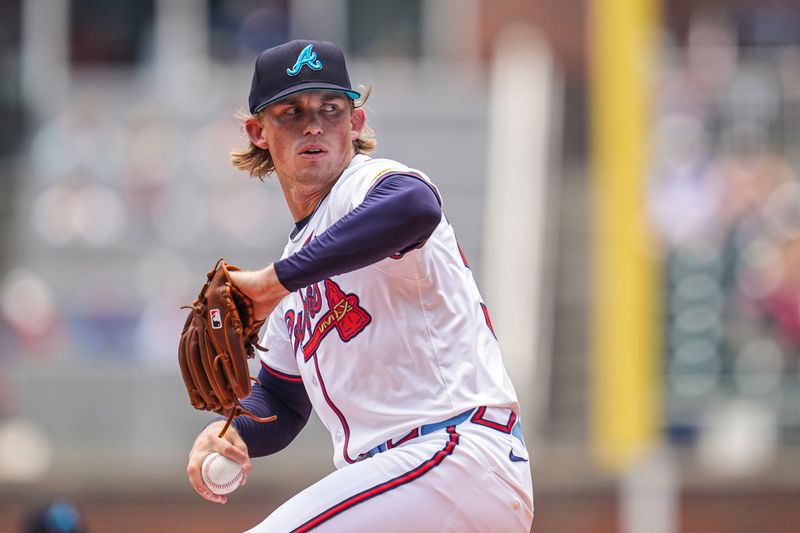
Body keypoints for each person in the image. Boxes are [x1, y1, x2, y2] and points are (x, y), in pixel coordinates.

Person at [186, 39, 534, 532]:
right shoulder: (296, 266)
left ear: (356, 122)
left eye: (331, 108)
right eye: (290, 112)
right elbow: (282, 403)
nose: (313, 125)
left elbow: (415, 208)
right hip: (414, 484)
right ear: (257, 132)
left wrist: (272, 282)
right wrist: (231, 433)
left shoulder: (369, 185)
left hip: (448, 455)